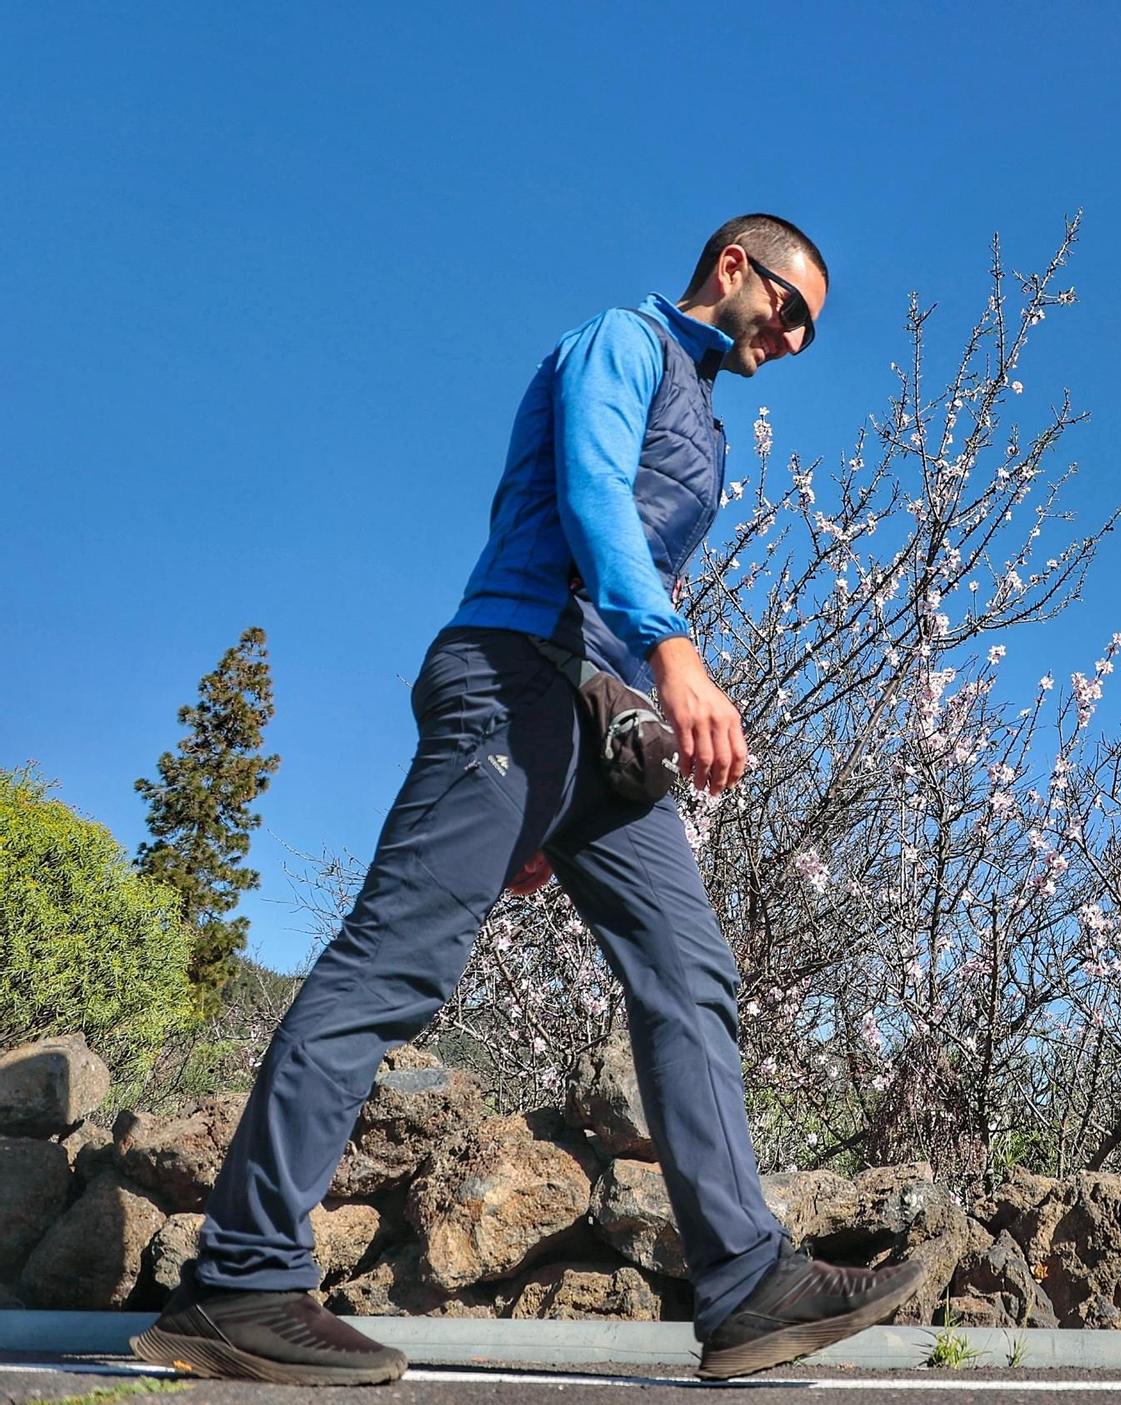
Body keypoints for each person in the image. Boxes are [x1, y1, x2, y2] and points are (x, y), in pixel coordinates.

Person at [131, 214, 922, 1386]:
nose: (800, 337)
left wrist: (564, 789)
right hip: (511, 680)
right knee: (393, 965)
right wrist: (674, 651)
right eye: (793, 307)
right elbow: (593, 489)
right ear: (732, 268)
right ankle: (241, 1279)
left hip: (587, 726)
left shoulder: (706, 415)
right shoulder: (622, 343)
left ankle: (748, 1282)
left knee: (686, 968)